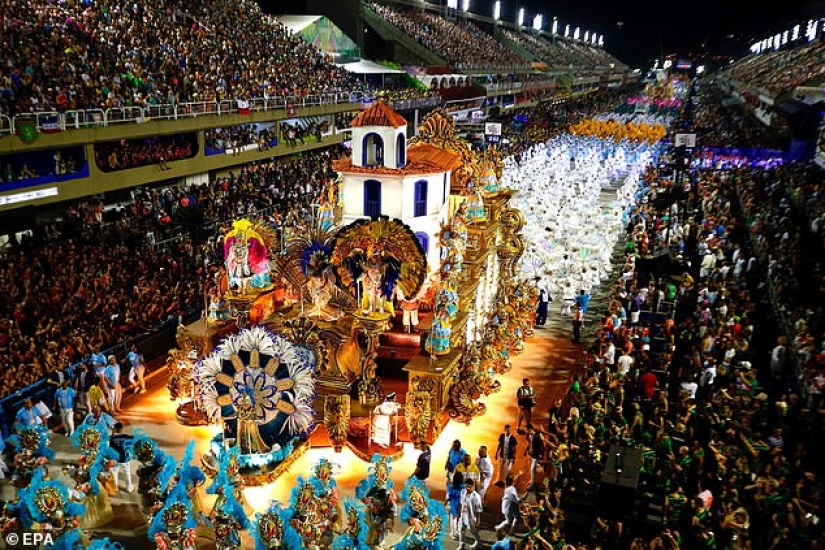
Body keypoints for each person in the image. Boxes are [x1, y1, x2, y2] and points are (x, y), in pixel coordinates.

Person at [109, 422, 134, 493]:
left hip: (115, 458)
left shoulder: (112, 438)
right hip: (125, 458)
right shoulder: (126, 436)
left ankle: (115, 487)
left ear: (115, 429)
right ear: (122, 429)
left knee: (114, 472)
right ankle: (129, 487)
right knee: (127, 472)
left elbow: (110, 447)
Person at [458, 478, 483, 550]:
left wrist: (478, 520)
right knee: (461, 530)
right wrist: (459, 513)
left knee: (473, 531)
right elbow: (461, 503)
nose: (467, 488)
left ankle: (478, 542)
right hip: (463, 515)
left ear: (473, 486)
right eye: (466, 486)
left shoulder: (477, 497)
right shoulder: (463, 492)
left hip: (472, 517)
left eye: (469, 486)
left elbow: (479, 510)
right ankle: (462, 545)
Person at [524, 424, 544, 490]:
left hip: (536, 456)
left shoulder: (537, 436)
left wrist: (540, 454)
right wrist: (526, 450)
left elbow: (541, 445)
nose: (525, 431)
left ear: (530, 429)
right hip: (531, 455)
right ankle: (533, 481)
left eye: (526, 430)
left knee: (533, 469)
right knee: (533, 469)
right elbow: (529, 443)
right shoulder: (530, 435)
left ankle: (533, 485)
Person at [447, 471, 465, 539]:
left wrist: (446, 502)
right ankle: (456, 532)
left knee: (453, 519)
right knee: (458, 519)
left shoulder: (451, 487)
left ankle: (453, 533)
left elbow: (449, 496)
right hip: (460, 505)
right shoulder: (463, 487)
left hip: (452, 505)